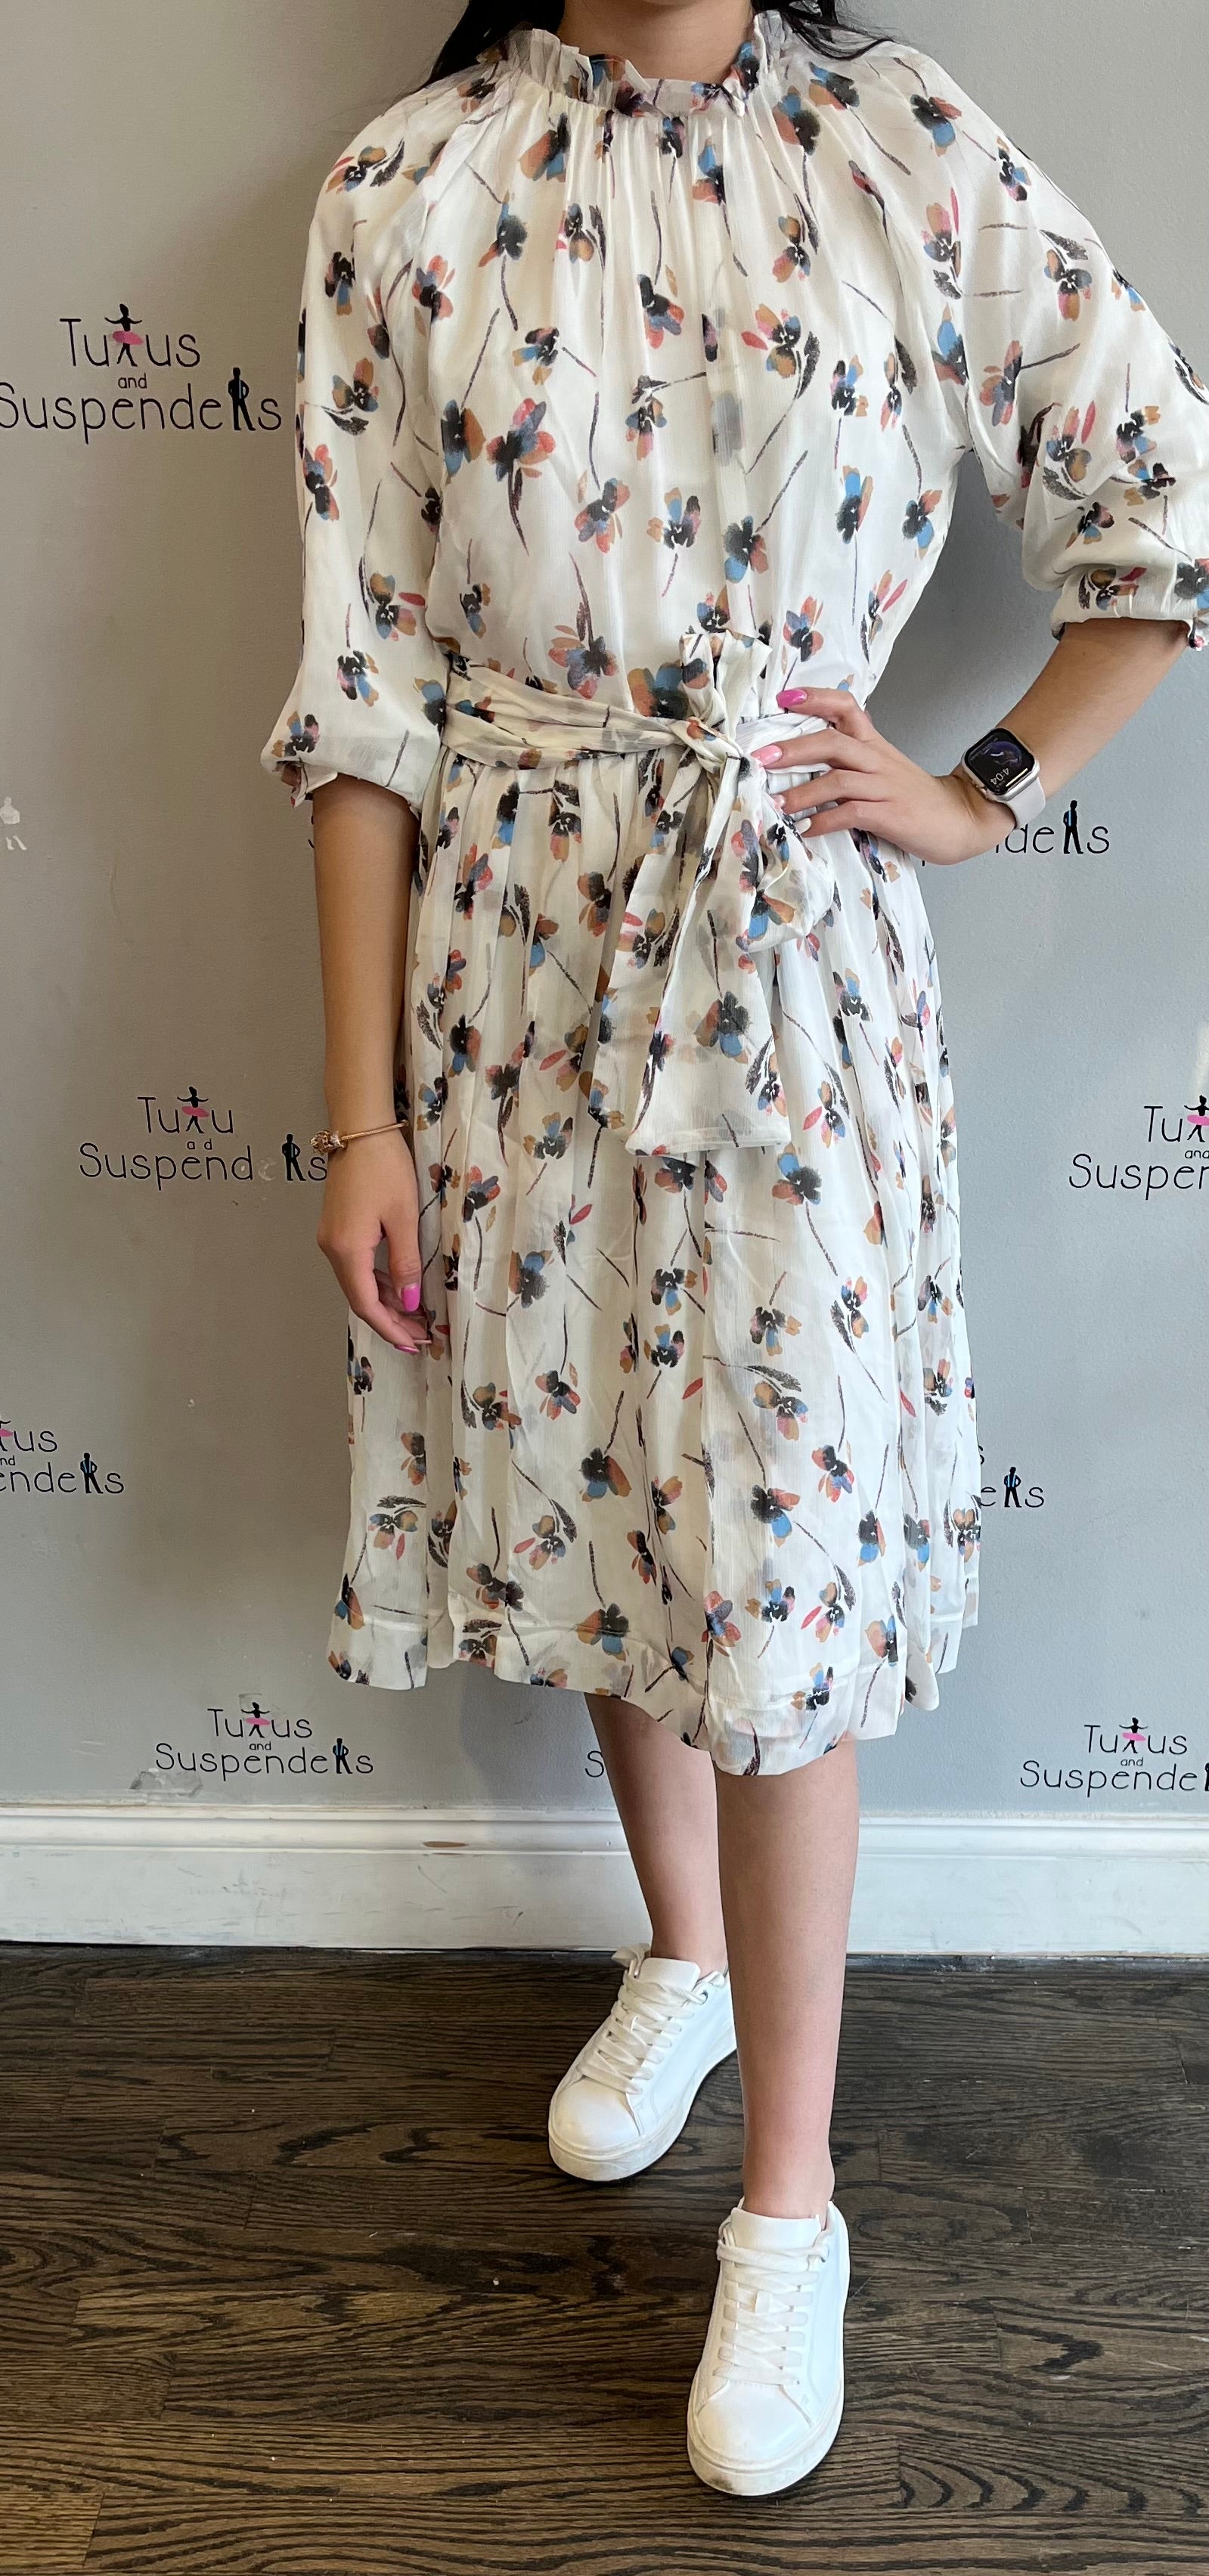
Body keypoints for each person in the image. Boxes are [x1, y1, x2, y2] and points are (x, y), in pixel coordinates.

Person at [261, 0, 1209, 2498]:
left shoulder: (898, 144)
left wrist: (982, 784)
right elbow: (360, 701)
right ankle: (676, 1955)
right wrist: (360, 1115)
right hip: (501, 974)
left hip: (788, 973)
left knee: (775, 1586)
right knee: (605, 1514)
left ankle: (794, 2209)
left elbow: (1160, 497)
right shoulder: (405, 186)